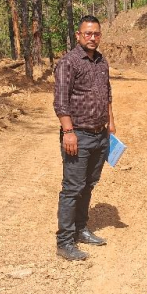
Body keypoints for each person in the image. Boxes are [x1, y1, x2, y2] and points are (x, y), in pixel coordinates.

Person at [53, 15, 116, 261]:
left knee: (88, 184)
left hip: (100, 135)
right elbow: (60, 101)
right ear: (78, 35)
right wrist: (68, 132)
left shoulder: (101, 61)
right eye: (87, 33)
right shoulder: (68, 63)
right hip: (78, 135)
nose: (92, 37)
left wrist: (111, 122)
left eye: (96, 33)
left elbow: (107, 93)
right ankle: (64, 241)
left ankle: (81, 229)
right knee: (72, 188)